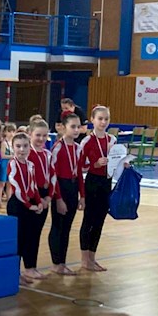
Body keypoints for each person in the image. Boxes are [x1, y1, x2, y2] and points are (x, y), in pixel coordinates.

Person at [79, 105, 115, 272]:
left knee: (100, 221)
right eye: (100, 119)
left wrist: (123, 164)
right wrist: (95, 164)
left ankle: (93, 258)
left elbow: (116, 163)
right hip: (93, 182)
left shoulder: (112, 140)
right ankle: (84, 259)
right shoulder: (87, 141)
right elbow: (81, 165)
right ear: (92, 120)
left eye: (106, 119)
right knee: (89, 220)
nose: (103, 122)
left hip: (106, 182)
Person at [49, 112, 85, 276]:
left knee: (67, 228)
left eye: (78, 127)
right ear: (63, 128)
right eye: (73, 127)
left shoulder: (78, 148)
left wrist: (82, 196)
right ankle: (56, 263)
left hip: (72, 188)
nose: (76, 130)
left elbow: (79, 174)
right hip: (60, 188)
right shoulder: (57, 148)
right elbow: (53, 175)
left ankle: (62, 263)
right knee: (58, 226)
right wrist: (58, 198)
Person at [6, 132, 44, 286]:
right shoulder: (12, 164)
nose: (22, 149)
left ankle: (25, 270)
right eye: (18, 146)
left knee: (28, 238)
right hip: (17, 204)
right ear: (13, 147)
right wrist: (30, 205)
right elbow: (16, 187)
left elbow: (33, 186)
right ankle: (15, 273)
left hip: (29, 204)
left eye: (25, 146)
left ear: (29, 147)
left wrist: (39, 202)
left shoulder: (30, 165)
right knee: (18, 240)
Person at [27, 118, 54, 280]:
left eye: (44, 136)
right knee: (27, 234)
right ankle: (26, 268)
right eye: (38, 135)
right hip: (31, 196)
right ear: (30, 134)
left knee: (36, 233)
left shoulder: (47, 154)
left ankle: (32, 267)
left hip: (44, 197)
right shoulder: (27, 154)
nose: (41, 139)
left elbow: (53, 177)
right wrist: (38, 200)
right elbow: (28, 180)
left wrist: (48, 197)